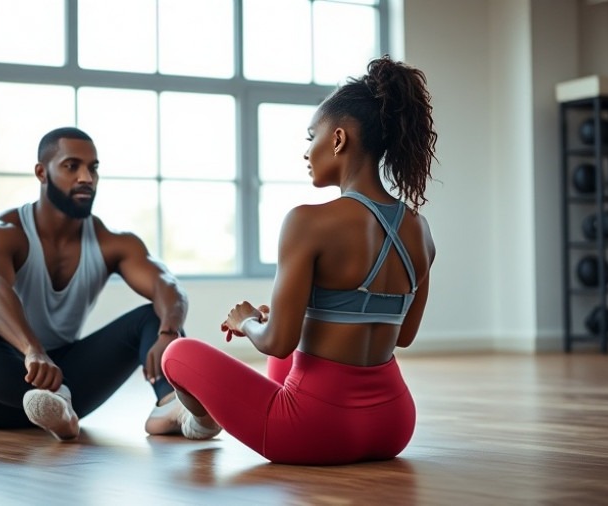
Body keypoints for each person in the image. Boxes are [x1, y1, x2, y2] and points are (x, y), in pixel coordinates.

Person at [159, 55, 438, 465]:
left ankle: (199, 421)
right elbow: (403, 335)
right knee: (286, 353)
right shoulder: (420, 228)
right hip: (394, 424)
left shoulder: (307, 221)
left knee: (177, 355)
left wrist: (247, 322)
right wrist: (301, 316)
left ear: (339, 139)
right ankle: (193, 415)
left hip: (316, 429)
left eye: (312, 137)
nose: (307, 151)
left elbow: (277, 340)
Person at [0, 126, 189, 441]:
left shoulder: (111, 242)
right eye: (72, 166)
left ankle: (169, 406)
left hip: (63, 382)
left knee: (155, 317)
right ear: (42, 173)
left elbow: (167, 284)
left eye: (93, 168)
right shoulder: (0, 232)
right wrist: (32, 350)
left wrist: (170, 332)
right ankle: (56, 403)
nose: (86, 177)